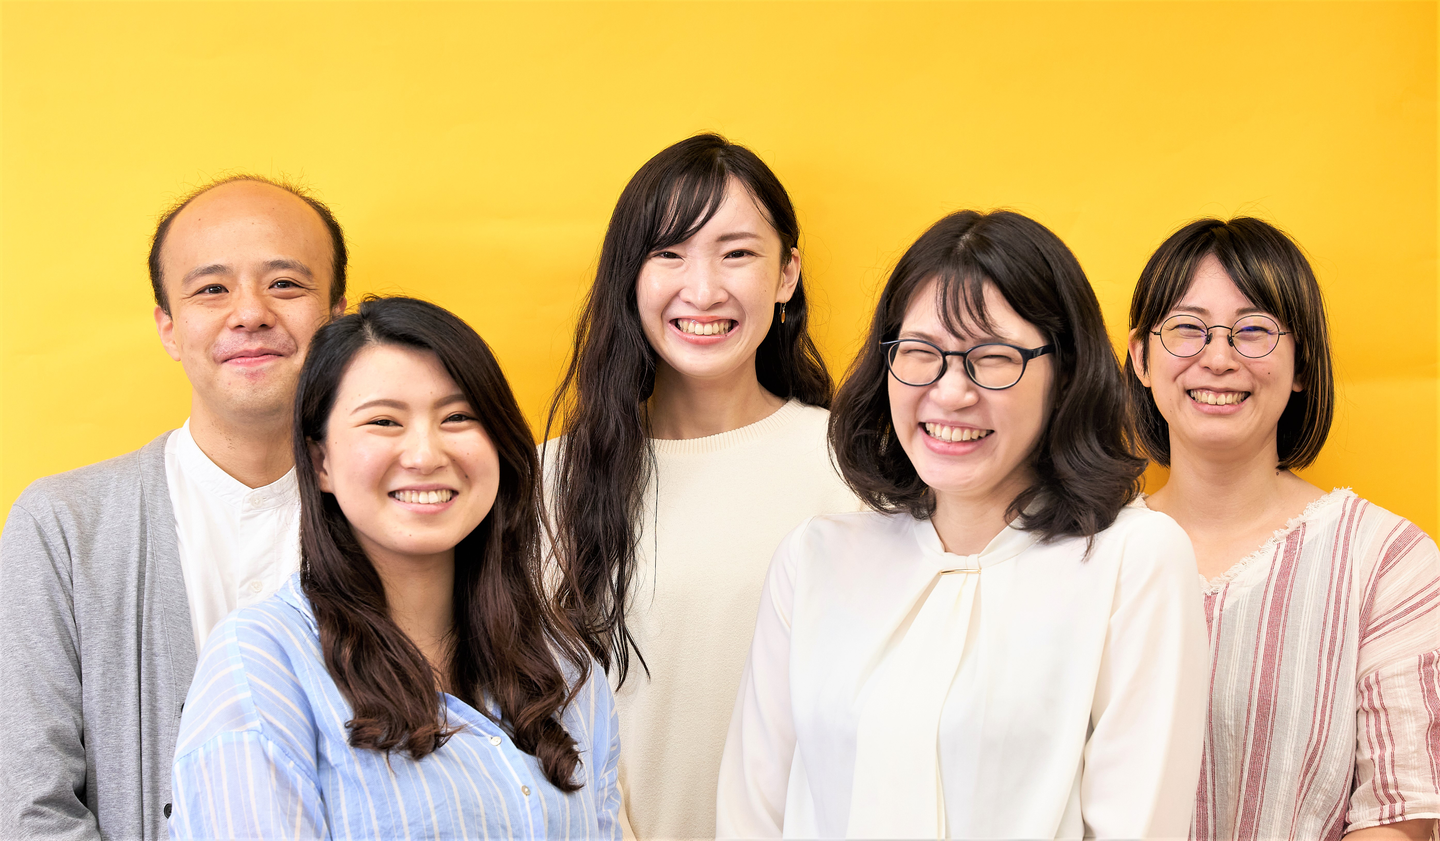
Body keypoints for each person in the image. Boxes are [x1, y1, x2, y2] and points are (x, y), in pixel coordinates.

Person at [717, 209, 1210, 839]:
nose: (951, 393)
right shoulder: (813, 560)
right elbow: (751, 818)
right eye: (921, 353)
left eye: (993, 357)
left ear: (1064, 372)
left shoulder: (1135, 560)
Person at [169, 296, 621, 839]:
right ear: (320, 462)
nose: (425, 455)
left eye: (458, 417)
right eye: (384, 421)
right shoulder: (262, 665)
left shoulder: (563, 668)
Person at [0, 175, 347, 840]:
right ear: (168, 326)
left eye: (285, 284)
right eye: (211, 289)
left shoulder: (398, 516)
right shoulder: (63, 526)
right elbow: (28, 807)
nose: (250, 313)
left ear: (336, 317)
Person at [543, 133, 859, 838]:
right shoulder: (549, 481)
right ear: (630, 276)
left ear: (787, 274)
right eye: (669, 253)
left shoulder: (855, 470)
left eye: (737, 253)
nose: (704, 288)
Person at [1124, 217, 1440, 840]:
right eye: (1187, 328)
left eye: (1254, 331)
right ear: (1141, 357)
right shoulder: (1085, 552)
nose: (1219, 359)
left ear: (1301, 365)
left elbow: (1402, 814)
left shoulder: (1385, 560)